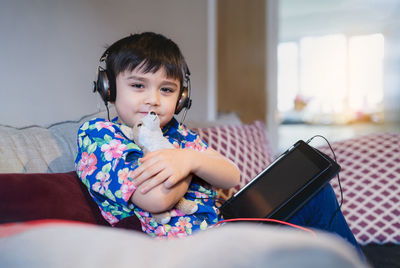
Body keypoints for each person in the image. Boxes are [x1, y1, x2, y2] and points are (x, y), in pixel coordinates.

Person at [75, 32, 363, 256]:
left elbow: (231, 174)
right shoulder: (99, 135)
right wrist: (182, 160)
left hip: (225, 228)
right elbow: (157, 200)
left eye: (166, 90)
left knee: (316, 193)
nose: (153, 99)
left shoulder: (178, 133)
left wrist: (190, 159)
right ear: (108, 89)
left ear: (181, 98)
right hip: (187, 249)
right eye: (138, 86)